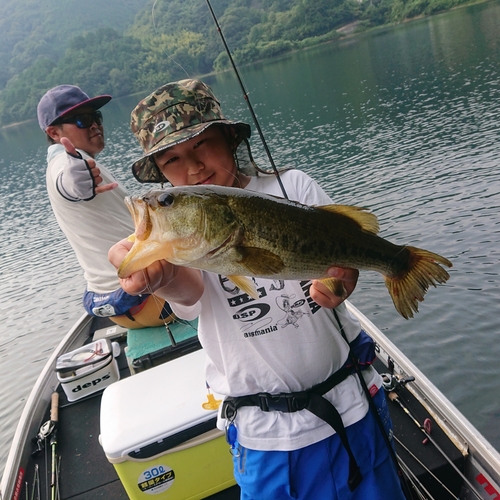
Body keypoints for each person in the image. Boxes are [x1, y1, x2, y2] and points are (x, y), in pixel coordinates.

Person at [109, 79, 407, 499]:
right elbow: (189, 292)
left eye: (202, 145)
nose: (193, 167)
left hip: (350, 405)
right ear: (160, 172)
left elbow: (341, 256)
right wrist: (157, 275)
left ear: (230, 138)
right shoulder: (175, 237)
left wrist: (341, 283)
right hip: (266, 436)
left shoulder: (295, 188)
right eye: (172, 160)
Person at [37, 84, 174, 329]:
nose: (94, 124)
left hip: (115, 305)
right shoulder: (67, 163)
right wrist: (80, 181)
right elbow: (70, 184)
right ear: (54, 133)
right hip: (152, 301)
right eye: (81, 120)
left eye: (96, 117)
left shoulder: (78, 161)